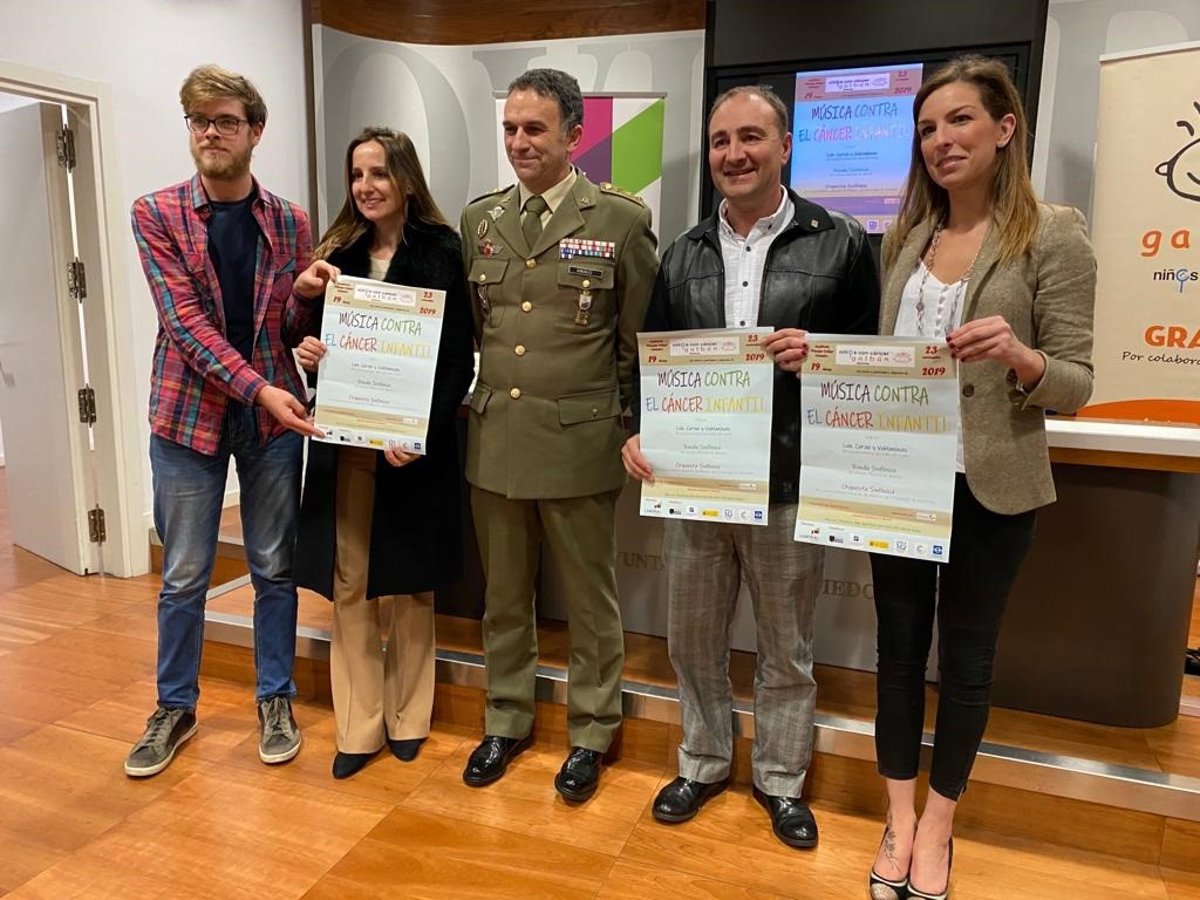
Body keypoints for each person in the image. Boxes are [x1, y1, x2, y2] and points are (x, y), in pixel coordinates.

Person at [621, 85, 880, 849]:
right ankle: (702, 762)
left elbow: (876, 358)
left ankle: (780, 779)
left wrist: (822, 354)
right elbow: (651, 360)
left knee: (786, 647)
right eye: (720, 140)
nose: (734, 154)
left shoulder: (842, 242)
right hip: (695, 481)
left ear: (786, 146)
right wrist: (639, 431)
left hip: (788, 480)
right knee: (691, 640)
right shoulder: (684, 251)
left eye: (751, 138)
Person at [866, 57, 1095, 900]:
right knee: (896, 655)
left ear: (1004, 129)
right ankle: (897, 818)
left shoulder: (1053, 233)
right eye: (928, 128)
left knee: (965, 662)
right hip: (899, 481)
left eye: (959, 120)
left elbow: (1076, 381)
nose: (941, 140)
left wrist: (1020, 355)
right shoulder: (903, 240)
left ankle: (938, 827)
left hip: (991, 487)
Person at [459, 68, 657, 802]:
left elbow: (635, 342)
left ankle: (592, 732)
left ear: (575, 135)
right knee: (505, 597)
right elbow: (480, 330)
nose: (519, 142)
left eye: (535, 128)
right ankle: (506, 719)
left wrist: (635, 426)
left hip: (580, 440)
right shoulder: (480, 220)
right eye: (510, 128)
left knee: (590, 604)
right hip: (498, 439)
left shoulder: (620, 221)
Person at [126, 65, 321, 778]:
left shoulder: (290, 221)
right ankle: (174, 708)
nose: (210, 132)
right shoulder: (156, 212)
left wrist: (306, 302)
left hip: (271, 426)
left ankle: (275, 698)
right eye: (199, 120)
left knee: (274, 567)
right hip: (188, 418)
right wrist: (260, 388)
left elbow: (290, 328)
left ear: (255, 131)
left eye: (226, 121)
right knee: (183, 575)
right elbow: (185, 325)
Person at [284, 128, 474, 779]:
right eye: (357, 174)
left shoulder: (444, 251)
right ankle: (358, 726)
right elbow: (305, 339)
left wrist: (423, 434)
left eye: (379, 173)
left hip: (412, 450)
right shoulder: (335, 254)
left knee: (411, 587)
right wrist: (309, 351)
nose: (366, 186)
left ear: (406, 180)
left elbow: (457, 360)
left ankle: (409, 719)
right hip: (347, 446)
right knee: (350, 585)